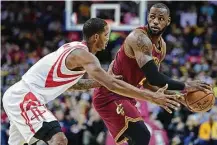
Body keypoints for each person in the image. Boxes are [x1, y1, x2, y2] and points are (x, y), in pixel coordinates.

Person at [2, 18, 179, 145]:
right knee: (59, 139)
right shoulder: (85, 56)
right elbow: (113, 85)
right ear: (96, 37)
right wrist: (151, 97)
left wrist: (98, 83)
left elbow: (73, 84)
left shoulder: (75, 50)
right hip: (25, 97)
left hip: (22, 98)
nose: (108, 39)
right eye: (106, 35)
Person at [92, 3, 211, 145]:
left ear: (168, 21)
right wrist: (186, 85)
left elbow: (148, 82)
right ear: (148, 17)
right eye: (152, 17)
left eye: (161, 18)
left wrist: (177, 97)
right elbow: (155, 78)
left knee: (138, 138)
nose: (155, 21)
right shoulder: (139, 38)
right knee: (141, 135)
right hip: (109, 93)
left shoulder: (162, 46)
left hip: (127, 94)